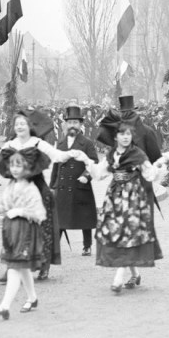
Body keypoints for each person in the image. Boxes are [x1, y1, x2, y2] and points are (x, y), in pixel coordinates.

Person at [0, 110, 71, 281]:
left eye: (22, 124)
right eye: (17, 124)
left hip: (38, 190)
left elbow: (57, 156)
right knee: (14, 229)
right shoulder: (10, 145)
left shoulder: (38, 143)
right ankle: (11, 267)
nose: (19, 126)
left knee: (42, 230)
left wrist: (74, 154)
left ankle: (43, 266)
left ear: (29, 126)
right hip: (17, 191)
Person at [74, 122, 164, 293]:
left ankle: (118, 279)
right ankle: (135, 273)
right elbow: (99, 174)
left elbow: (149, 174)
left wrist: (158, 167)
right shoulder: (111, 155)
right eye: (122, 134)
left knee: (127, 234)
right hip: (114, 198)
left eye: (128, 134)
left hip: (133, 199)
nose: (125, 137)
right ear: (115, 137)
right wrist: (86, 160)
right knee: (118, 234)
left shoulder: (138, 154)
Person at [0, 146, 51, 319]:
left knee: (15, 267)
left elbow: (40, 214)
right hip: (11, 232)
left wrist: (21, 212)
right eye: (12, 165)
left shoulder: (31, 188)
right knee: (21, 267)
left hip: (26, 232)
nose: (15, 168)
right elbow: (2, 206)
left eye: (19, 165)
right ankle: (32, 298)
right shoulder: (11, 185)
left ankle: (4, 306)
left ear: (26, 168)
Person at [50, 105, 99, 256]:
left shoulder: (87, 143)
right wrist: (52, 186)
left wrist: (86, 175)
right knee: (60, 217)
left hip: (80, 185)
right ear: (65, 124)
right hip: (63, 186)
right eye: (70, 122)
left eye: (76, 122)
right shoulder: (61, 143)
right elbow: (56, 166)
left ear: (80, 125)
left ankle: (87, 245)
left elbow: (94, 162)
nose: (72, 125)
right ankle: (54, 247)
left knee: (85, 217)